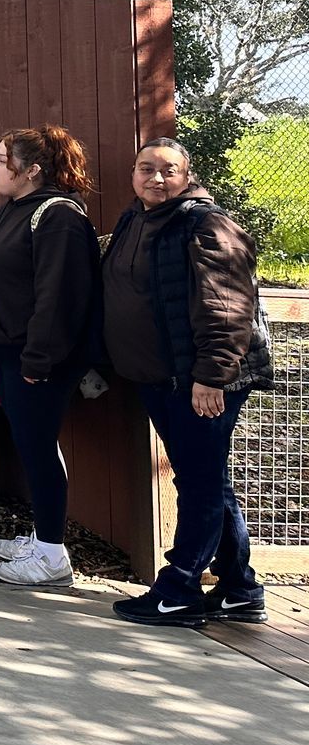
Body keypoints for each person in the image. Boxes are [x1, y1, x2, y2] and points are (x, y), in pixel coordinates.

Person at [103, 138, 272, 626]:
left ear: (187, 174)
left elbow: (227, 308)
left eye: (168, 170)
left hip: (201, 382)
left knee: (197, 482)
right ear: (133, 174)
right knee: (209, 479)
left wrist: (210, 378)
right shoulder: (136, 218)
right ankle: (239, 588)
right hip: (161, 378)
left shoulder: (206, 224)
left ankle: (178, 587)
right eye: (145, 169)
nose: (155, 178)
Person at [0, 125, 102, 586]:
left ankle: (51, 558)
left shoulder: (58, 217)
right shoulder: (12, 210)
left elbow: (58, 296)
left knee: (39, 448)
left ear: (31, 171)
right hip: (7, 354)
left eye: (1, 159)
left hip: (34, 360)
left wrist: (37, 361)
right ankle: (43, 537)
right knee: (31, 445)